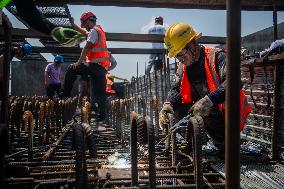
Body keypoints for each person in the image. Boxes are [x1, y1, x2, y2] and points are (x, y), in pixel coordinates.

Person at [159, 23, 251, 152]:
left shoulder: (217, 57)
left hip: (227, 118)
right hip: (204, 114)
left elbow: (235, 81)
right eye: (177, 56)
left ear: (193, 43)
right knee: (176, 108)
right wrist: (168, 104)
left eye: (182, 53)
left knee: (208, 113)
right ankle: (192, 142)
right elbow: (176, 88)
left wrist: (209, 100)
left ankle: (224, 143)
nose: (180, 59)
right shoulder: (183, 66)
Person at [61, 11, 110, 122]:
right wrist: (74, 26)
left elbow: (86, 47)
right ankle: (102, 118)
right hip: (102, 70)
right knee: (99, 95)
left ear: (88, 21)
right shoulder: (99, 31)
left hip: (94, 66)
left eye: (84, 24)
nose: (85, 28)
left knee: (72, 69)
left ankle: (65, 95)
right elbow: (84, 32)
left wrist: (78, 63)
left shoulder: (93, 31)